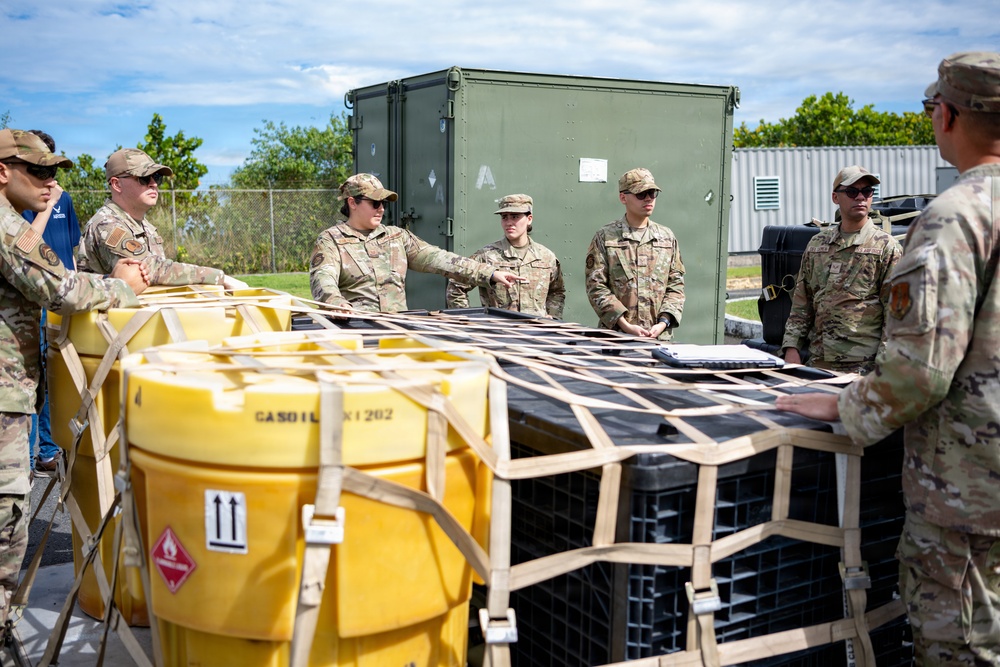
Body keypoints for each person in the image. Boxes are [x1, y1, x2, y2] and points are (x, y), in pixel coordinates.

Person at [776, 52, 1000, 665]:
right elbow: (802, 302)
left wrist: (848, 405)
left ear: (948, 114)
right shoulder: (822, 243)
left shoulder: (956, 217)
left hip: (969, 492)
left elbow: (922, 369)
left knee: (962, 646)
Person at [0, 129, 148, 628]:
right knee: (5, 520)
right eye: (38, 171)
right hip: (4, 397)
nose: (50, 182)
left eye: (54, 172)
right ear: (3, 172)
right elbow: (60, 288)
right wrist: (119, 287)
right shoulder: (5, 227)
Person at [310, 173, 527, 312]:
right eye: (375, 203)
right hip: (356, 329)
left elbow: (440, 259)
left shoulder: (396, 237)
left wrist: (488, 273)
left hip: (397, 329)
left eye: (383, 203)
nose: (381, 209)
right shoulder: (331, 240)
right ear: (352, 202)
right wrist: (335, 302)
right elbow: (323, 279)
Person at [780, 166, 902, 374]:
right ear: (836, 197)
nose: (861, 197)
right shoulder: (817, 245)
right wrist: (792, 348)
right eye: (853, 192)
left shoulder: (885, 247)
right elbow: (802, 302)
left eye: (867, 191)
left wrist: (884, 367)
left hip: (864, 366)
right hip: (819, 361)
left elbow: (896, 315)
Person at [79, 148, 247, 289]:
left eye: (157, 178)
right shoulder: (107, 225)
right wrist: (220, 278)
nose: (154, 184)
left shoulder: (143, 225)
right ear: (116, 184)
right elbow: (150, 268)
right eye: (144, 178)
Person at [20, 131, 78, 476]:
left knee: (55, 374)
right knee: (35, 377)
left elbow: (70, 250)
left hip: (62, 299)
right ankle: (25, 461)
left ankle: (48, 450)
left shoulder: (64, 199)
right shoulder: (24, 201)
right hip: (33, 298)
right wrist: (47, 205)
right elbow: (25, 246)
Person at [584, 167, 684, 340]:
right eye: (641, 194)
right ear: (623, 197)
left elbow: (676, 285)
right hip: (617, 338)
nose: (648, 199)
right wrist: (625, 325)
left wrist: (663, 323)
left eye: (652, 193)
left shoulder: (666, 238)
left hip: (658, 339)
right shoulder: (606, 237)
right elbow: (596, 286)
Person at [445, 193, 565, 318]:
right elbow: (456, 286)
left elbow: (556, 291)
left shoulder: (546, 257)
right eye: (504, 217)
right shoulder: (487, 256)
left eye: (515, 217)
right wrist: (466, 319)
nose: (509, 222)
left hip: (536, 331)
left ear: (529, 219)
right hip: (500, 332)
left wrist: (553, 316)